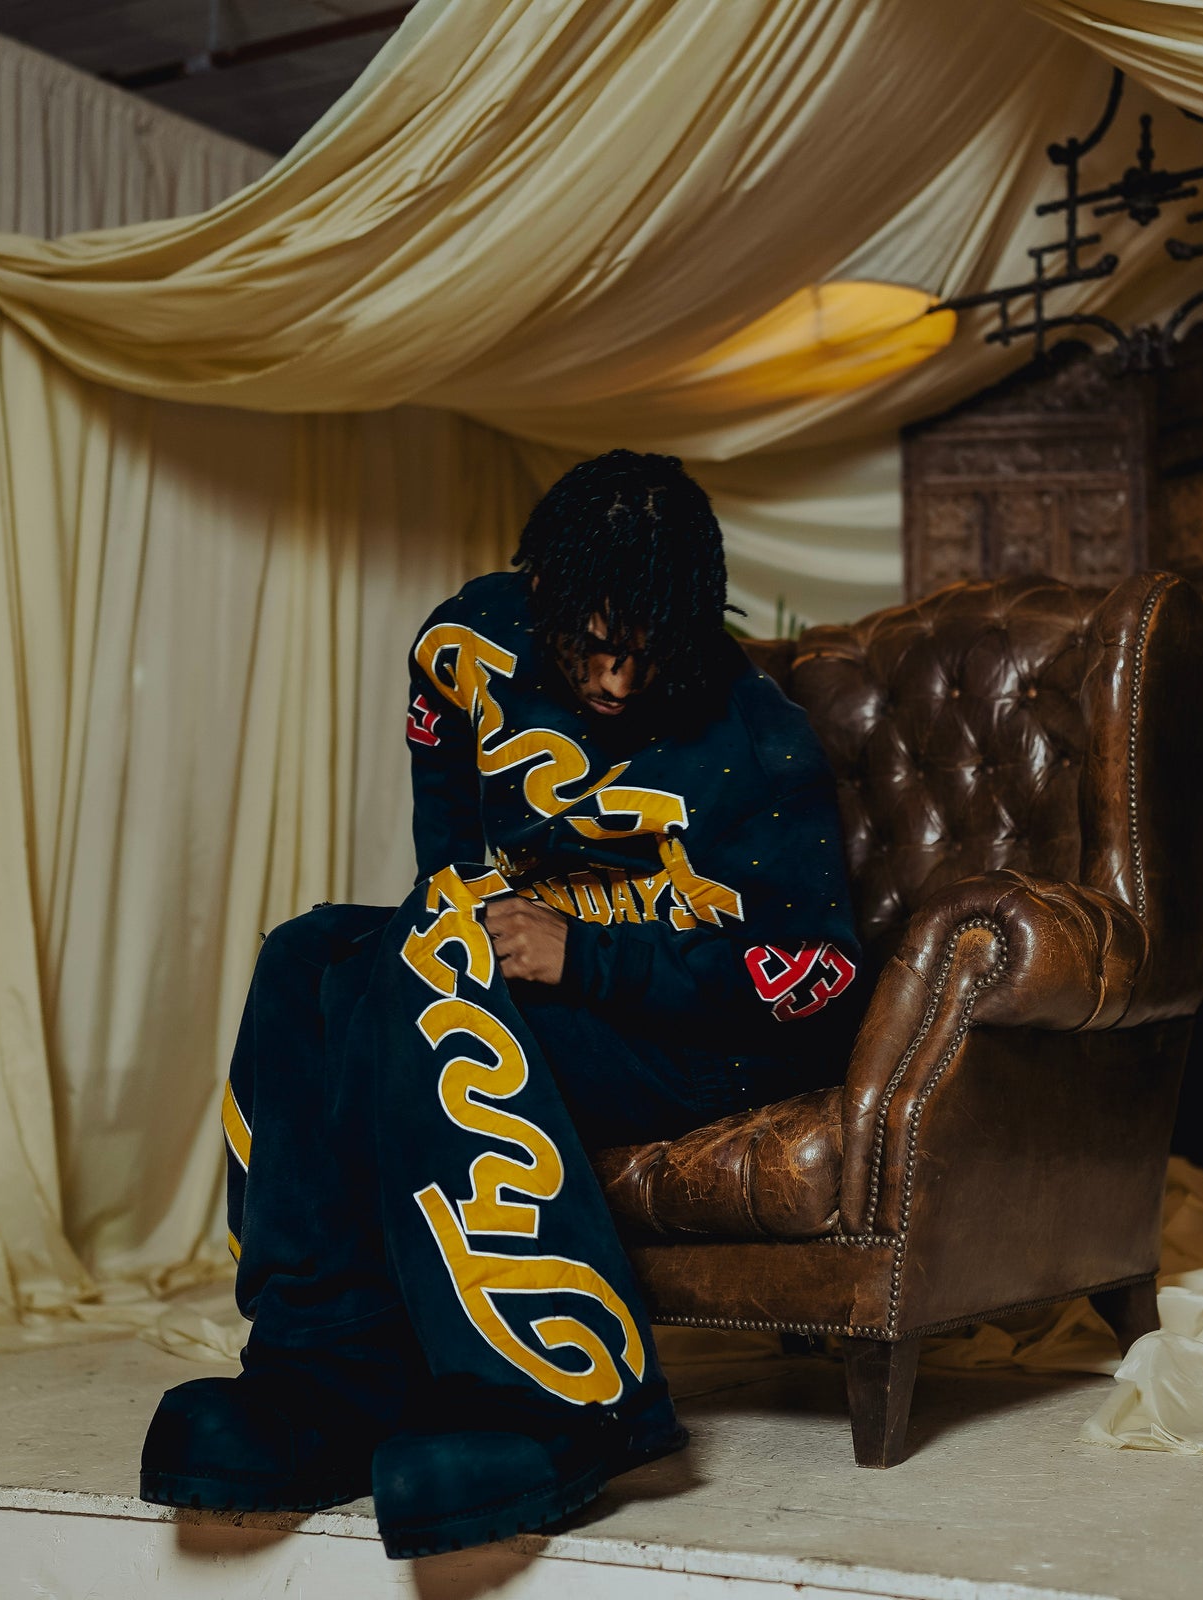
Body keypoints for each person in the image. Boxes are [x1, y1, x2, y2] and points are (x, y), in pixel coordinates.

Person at [138, 449, 867, 1558]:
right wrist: (458, 925)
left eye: (649, 650)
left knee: (436, 987)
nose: (617, 680)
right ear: (545, 599)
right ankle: (324, 1374)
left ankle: (554, 1394)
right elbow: (447, 848)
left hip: (699, 1039)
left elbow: (818, 981)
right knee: (306, 959)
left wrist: (590, 960)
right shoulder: (467, 644)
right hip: (513, 972)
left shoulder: (760, 745)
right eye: (594, 644)